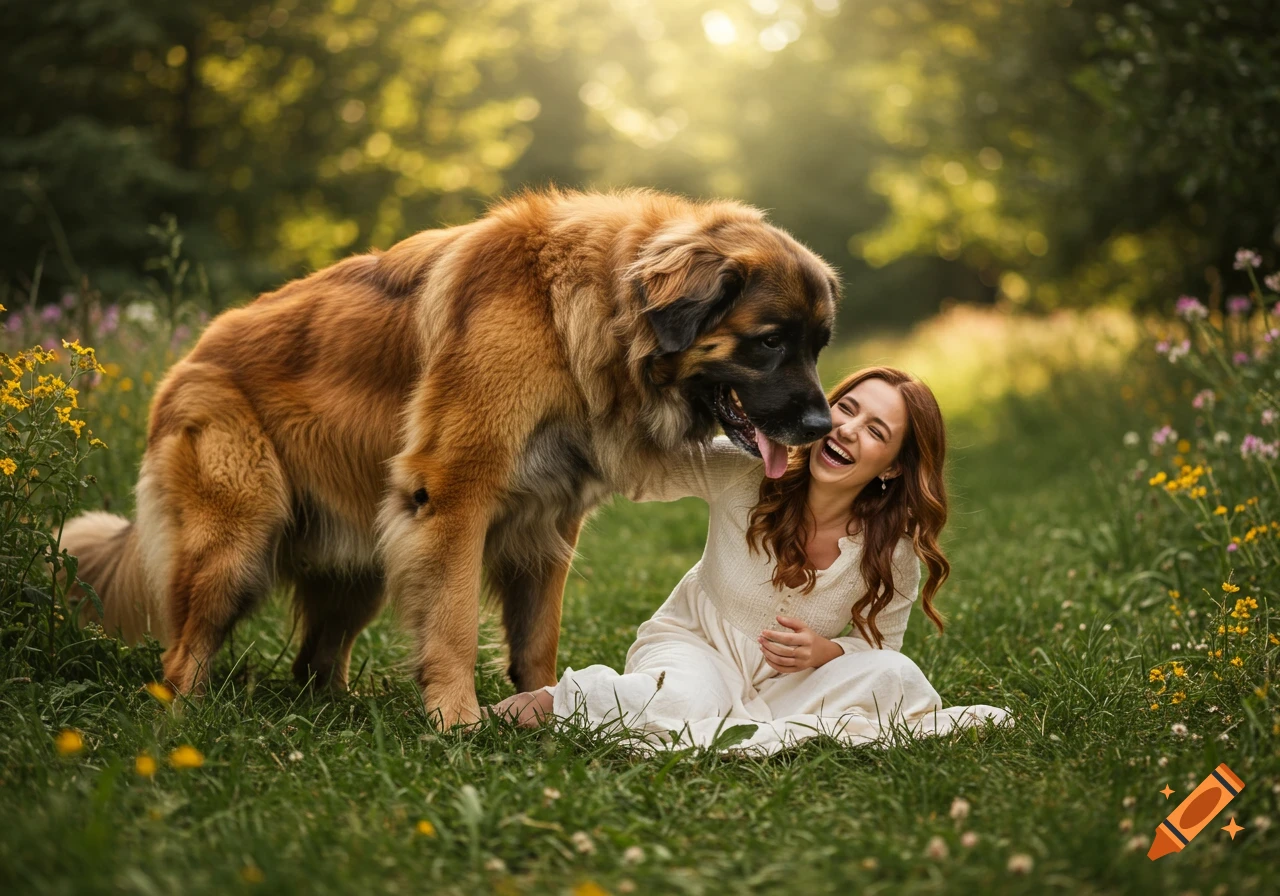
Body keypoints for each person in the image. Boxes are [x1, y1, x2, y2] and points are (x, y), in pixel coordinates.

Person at [488, 366, 1012, 754]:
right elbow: (643, 469)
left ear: (893, 468)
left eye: (877, 431)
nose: (849, 429)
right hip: (699, 647)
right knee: (684, 704)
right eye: (847, 409)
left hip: (791, 685)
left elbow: (878, 648)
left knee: (896, 676)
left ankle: (744, 722)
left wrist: (826, 652)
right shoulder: (752, 470)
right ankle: (549, 704)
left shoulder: (891, 549)